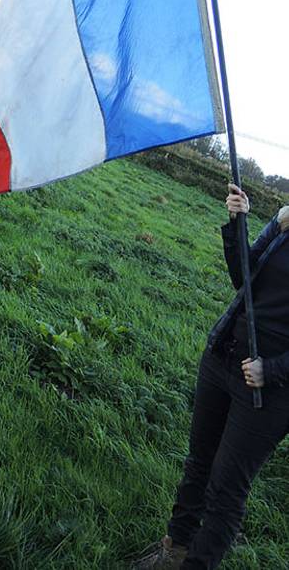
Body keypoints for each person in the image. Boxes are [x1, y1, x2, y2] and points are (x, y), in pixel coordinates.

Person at [131, 184, 289, 570]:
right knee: (199, 462)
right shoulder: (286, 219)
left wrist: (271, 370)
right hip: (223, 355)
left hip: (268, 391)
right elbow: (244, 278)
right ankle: (175, 547)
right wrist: (239, 222)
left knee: (226, 490)